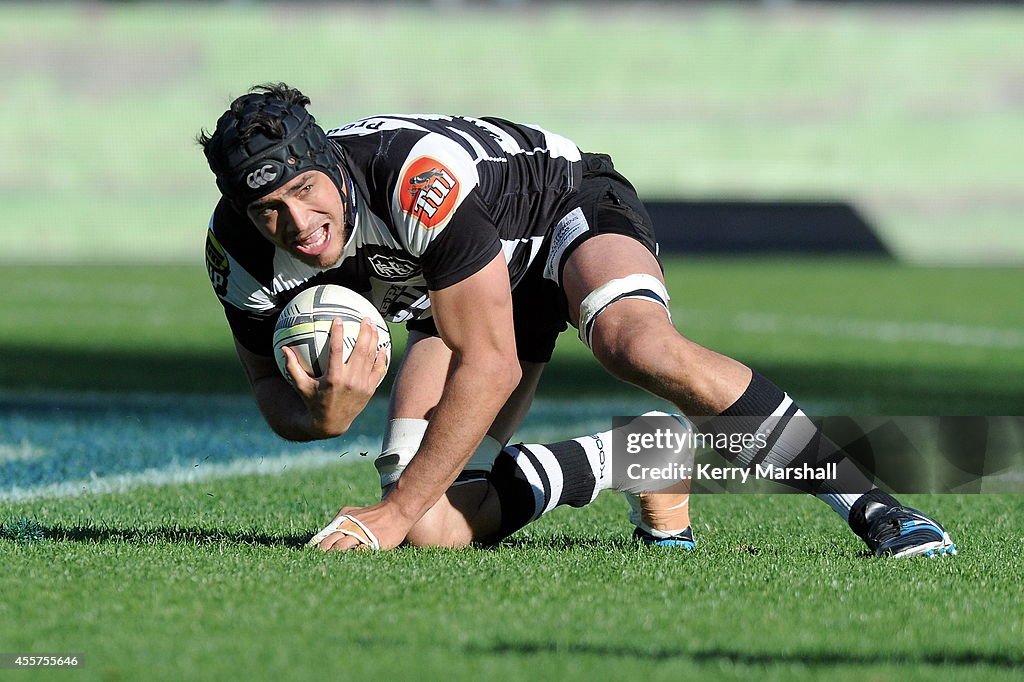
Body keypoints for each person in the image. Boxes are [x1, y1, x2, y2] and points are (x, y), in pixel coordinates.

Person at [199, 83, 955, 558]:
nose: (297, 223)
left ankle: (876, 507)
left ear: (330, 162)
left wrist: (390, 510)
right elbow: (272, 393)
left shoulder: (411, 179)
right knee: (435, 528)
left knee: (638, 345)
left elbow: (487, 363)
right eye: (268, 209)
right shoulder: (238, 250)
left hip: (559, 209)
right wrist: (324, 416)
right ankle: (641, 456)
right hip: (460, 291)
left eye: (304, 190)